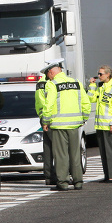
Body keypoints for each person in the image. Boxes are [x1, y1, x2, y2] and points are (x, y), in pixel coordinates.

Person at [41, 59, 91, 191]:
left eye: (48, 74)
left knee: (61, 155)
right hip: (75, 125)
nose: (48, 77)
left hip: (58, 125)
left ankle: (63, 182)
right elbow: (85, 102)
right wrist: (84, 118)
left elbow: (48, 105)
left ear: (51, 72)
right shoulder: (76, 82)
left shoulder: (52, 84)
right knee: (75, 153)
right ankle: (78, 181)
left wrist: (45, 121)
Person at [88, 65, 112, 183]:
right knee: (103, 153)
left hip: (109, 125)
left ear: (108, 75)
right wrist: (92, 85)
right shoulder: (101, 88)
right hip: (100, 125)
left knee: (111, 152)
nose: (98, 76)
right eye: (98, 74)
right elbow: (91, 99)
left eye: (100, 74)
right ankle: (107, 175)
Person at [34, 71, 57, 186]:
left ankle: (49, 176)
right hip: (53, 118)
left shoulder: (40, 83)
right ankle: (60, 175)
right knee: (59, 149)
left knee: (48, 149)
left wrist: (42, 117)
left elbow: (39, 102)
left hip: (43, 117)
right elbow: (49, 103)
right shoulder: (51, 83)